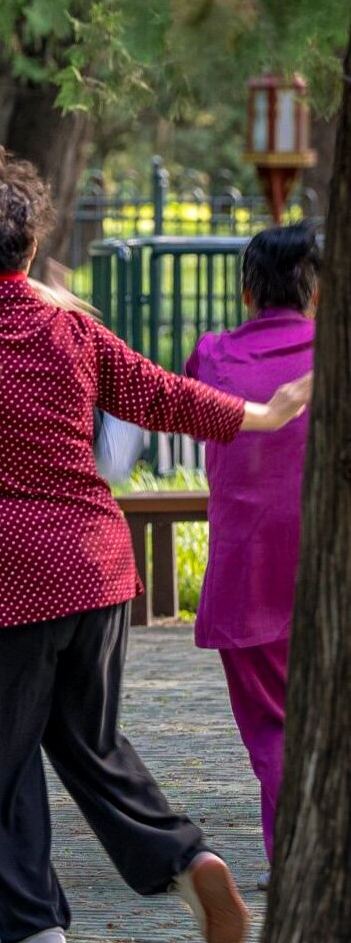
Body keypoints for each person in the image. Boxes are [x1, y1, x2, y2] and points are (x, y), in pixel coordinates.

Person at [0, 156, 309, 943]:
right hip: (94, 567)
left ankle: (32, 922)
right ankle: (184, 856)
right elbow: (164, 395)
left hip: (2, 580)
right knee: (92, 741)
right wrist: (262, 414)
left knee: (8, 758)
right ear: (34, 239)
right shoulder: (74, 331)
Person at [183, 221, 319, 891]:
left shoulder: (213, 355)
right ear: (315, 291)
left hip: (249, 570)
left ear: (246, 292)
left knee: (272, 724)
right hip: (325, 564)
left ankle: (292, 853)